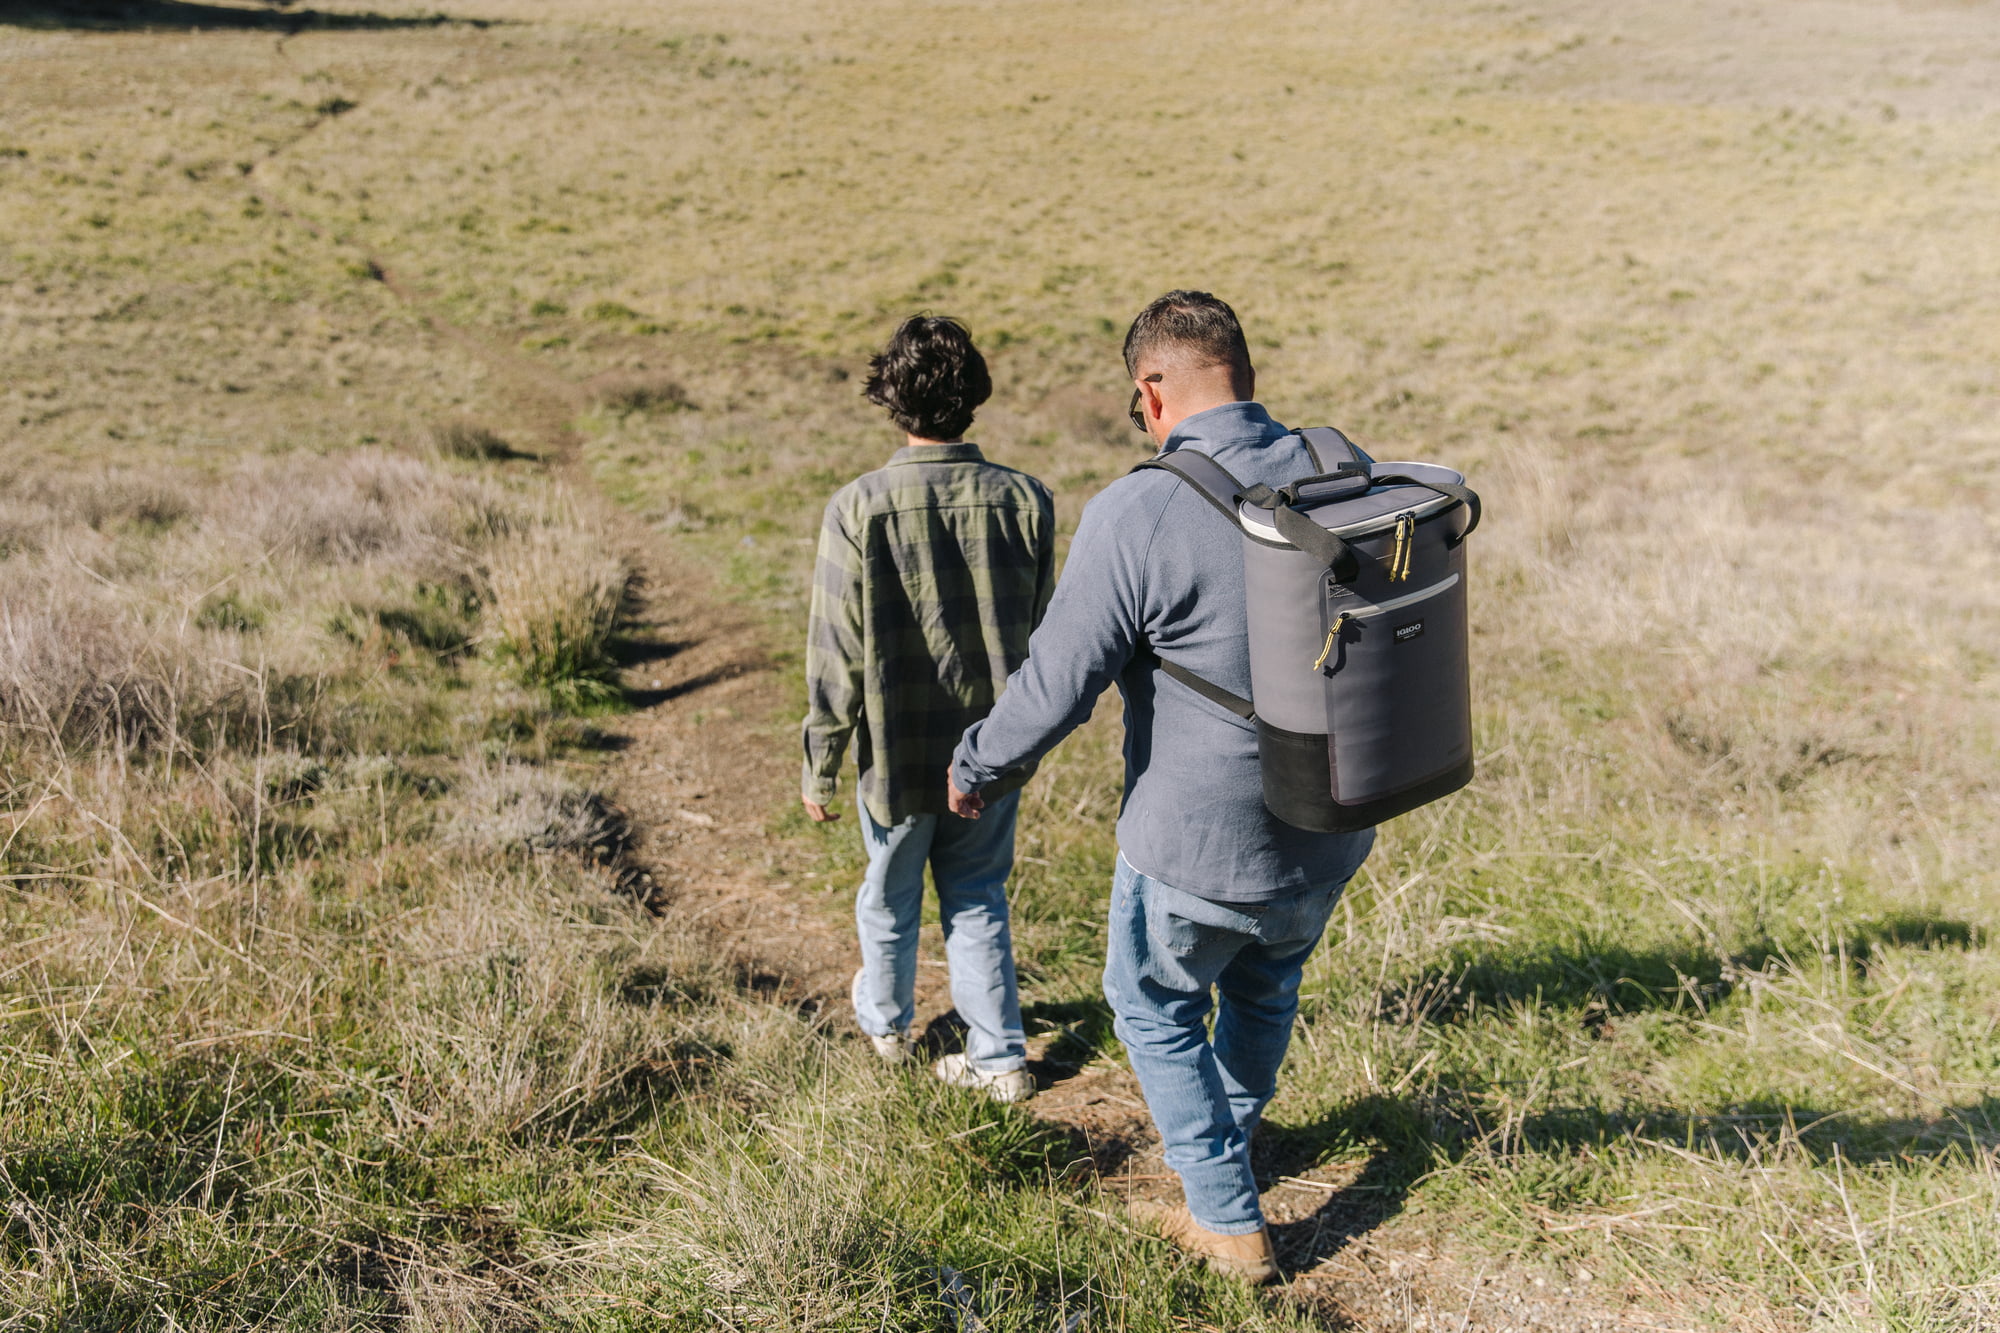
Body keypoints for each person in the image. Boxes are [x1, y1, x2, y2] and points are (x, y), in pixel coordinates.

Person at [947, 291, 1376, 1281]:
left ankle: (1226, 1222)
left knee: (1146, 1002)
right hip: (1336, 819)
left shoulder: (1138, 508)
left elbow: (1055, 685)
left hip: (1198, 841)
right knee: (1267, 985)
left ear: (1149, 393)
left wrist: (977, 768)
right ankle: (1225, 1142)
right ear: (1246, 376)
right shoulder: (1337, 463)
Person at [802, 314, 1055, 1105]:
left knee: (889, 893)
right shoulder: (1027, 501)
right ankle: (1000, 1056)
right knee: (978, 896)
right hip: (994, 749)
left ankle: (885, 1027)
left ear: (891, 398)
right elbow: (1046, 636)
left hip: (895, 749)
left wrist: (821, 761)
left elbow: (835, 651)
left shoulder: (857, 507)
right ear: (972, 395)